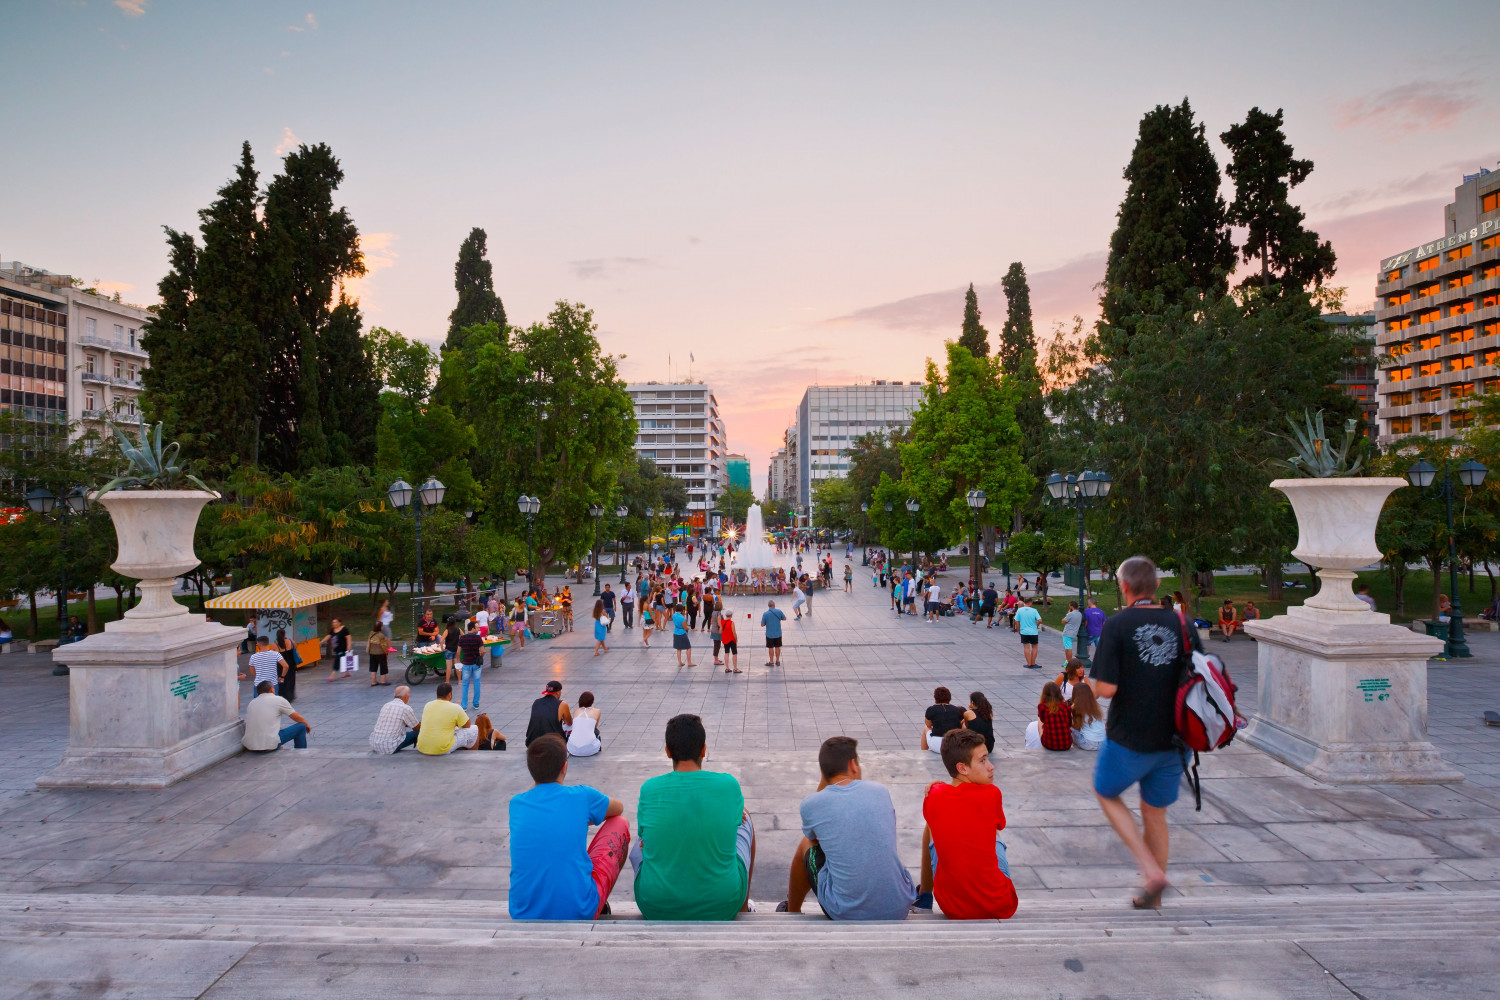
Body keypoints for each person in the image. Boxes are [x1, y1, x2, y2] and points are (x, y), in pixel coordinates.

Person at [1089, 555, 1190, 910]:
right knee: (1155, 814)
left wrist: (1095, 682)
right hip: (1177, 739)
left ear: (1124, 587)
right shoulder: (1182, 623)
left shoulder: (1117, 625)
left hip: (1130, 737)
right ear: (1157, 586)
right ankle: (1154, 897)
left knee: (1105, 791)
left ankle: (1149, 870)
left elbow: (1106, 690)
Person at [631, 714, 755, 920]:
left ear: (668, 752)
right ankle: (743, 907)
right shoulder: (728, 785)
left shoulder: (650, 789)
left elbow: (644, 842)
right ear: (704, 750)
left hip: (655, 905)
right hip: (724, 903)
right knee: (745, 818)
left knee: (639, 843)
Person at [779, 736, 916, 919]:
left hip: (846, 911)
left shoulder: (811, 804)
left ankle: (792, 911)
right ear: (853, 765)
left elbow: (814, 837)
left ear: (823, 772)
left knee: (806, 844)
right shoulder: (880, 792)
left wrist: (825, 779)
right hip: (899, 907)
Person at [508, 734, 629, 919]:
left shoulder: (516, 804)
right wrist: (584, 818)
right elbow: (618, 808)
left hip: (523, 911)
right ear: (564, 767)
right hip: (580, 909)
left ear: (530, 769)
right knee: (620, 823)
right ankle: (598, 902)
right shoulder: (582, 796)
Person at [914, 729, 1018, 919]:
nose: (991, 766)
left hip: (952, 907)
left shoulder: (934, 795)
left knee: (932, 824)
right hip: (1000, 903)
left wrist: (938, 787)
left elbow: (955, 797)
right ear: (962, 768)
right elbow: (996, 825)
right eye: (983, 760)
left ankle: (925, 898)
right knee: (993, 832)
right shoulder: (992, 794)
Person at [242, 680, 310, 751]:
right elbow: (295, 716)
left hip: (250, 745)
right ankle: (301, 752)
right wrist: (307, 724)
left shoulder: (252, 703)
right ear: (271, 689)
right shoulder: (278, 699)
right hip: (268, 745)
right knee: (301, 727)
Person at [417, 682, 478, 754]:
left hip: (422, 747)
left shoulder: (428, 705)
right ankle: (474, 755)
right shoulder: (455, 707)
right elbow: (467, 725)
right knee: (474, 729)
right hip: (442, 749)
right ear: (449, 694)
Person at [368, 685, 420, 754]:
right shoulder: (406, 708)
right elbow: (416, 728)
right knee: (419, 732)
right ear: (406, 697)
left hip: (375, 744)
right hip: (390, 746)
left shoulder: (386, 705)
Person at [922, 686, 973, 753]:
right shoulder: (956, 709)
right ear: (949, 697)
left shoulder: (931, 709)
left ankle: (923, 752)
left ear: (935, 697)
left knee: (926, 728)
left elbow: (928, 725)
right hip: (953, 745)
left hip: (937, 745)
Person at [1025, 681, 1074, 751]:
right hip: (1066, 744)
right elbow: (1069, 723)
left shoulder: (1042, 706)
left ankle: (1042, 745)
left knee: (1040, 720)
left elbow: (1042, 720)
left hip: (1049, 744)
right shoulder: (1065, 706)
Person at [525, 680, 573, 747]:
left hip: (532, 743)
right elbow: (570, 722)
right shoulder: (562, 704)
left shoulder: (536, 702)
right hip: (553, 745)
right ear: (558, 692)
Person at [456, 620, 485, 710]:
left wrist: (459, 661)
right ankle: (476, 704)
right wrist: (481, 656)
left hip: (466, 663)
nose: (478, 628)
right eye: (477, 627)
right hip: (476, 664)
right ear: (472, 628)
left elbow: (458, 651)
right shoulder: (478, 638)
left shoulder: (462, 638)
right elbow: (483, 651)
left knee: (465, 684)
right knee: (477, 683)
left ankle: (464, 705)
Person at [1070, 684, 1107, 751]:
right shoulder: (1095, 704)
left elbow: (1076, 726)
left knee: (1070, 728)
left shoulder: (1076, 707)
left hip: (1088, 744)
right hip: (1102, 743)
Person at [568, 691, 603, 757]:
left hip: (572, 749)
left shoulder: (576, 711)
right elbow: (594, 727)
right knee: (595, 731)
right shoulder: (597, 711)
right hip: (590, 749)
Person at [272, 628, 300, 701]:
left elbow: (272, 653)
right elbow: (296, 647)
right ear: (284, 634)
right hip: (291, 663)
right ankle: (290, 695)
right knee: (291, 679)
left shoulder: (275, 645)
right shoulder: (291, 641)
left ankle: (283, 695)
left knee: (282, 679)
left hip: (281, 665)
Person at [1014, 598, 1042, 668]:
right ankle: (1033, 663)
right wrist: (1037, 625)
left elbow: (1016, 621)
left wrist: (1018, 629)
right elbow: (1040, 620)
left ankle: (1028, 663)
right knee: (1034, 647)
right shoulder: (1034, 610)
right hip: (1033, 632)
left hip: (1024, 631)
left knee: (1026, 647)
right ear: (1030, 603)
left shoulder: (1020, 610)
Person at [761, 600, 787, 667]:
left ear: (768, 606)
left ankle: (771, 662)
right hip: (778, 633)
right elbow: (784, 618)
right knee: (777, 647)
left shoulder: (765, 614)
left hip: (769, 634)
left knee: (770, 647)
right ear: (774, 605)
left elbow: (762, 624)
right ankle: (777, 661)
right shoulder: (779, 611)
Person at [1082, 596, 1106, 662]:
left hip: (1090, 631)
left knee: (1087, 645)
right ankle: (1099, 659)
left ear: (1090, 603)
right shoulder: (1101, 612)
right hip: (1099, 632)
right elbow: (1104, 623)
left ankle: (1086, 658)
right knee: (1098, 646)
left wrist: (1083, 628)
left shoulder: (1087, 611)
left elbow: (1085, 622)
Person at [672, 603, 696, 667]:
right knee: (688, 647)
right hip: (682, 633)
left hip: (676, 632)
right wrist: (688, 628)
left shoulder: (674, 615)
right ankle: (689, 662)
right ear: (682, 610)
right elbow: (685, 627)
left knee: (678, 648)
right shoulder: (682, 618)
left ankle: (679, 662)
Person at [719, 609, 741, 674]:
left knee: (726, 652)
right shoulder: (731, 623)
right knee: (734, 653)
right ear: (731, 615)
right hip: (731, 639)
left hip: (725, 640)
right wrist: (736, 639)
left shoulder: (722, 622)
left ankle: (727, 668)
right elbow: (734, 632)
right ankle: (735, 668)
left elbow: (720, 631)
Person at [442, 620, 462, 684]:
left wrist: (442, 648)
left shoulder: (447, 630)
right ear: (455, 623)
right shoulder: (458, 629)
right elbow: (464, 636)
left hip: (448, 650)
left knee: (449, 667)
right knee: (457, 665)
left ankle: (447, 682)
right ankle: (459, 680)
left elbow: (441, 640)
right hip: (456, 650)